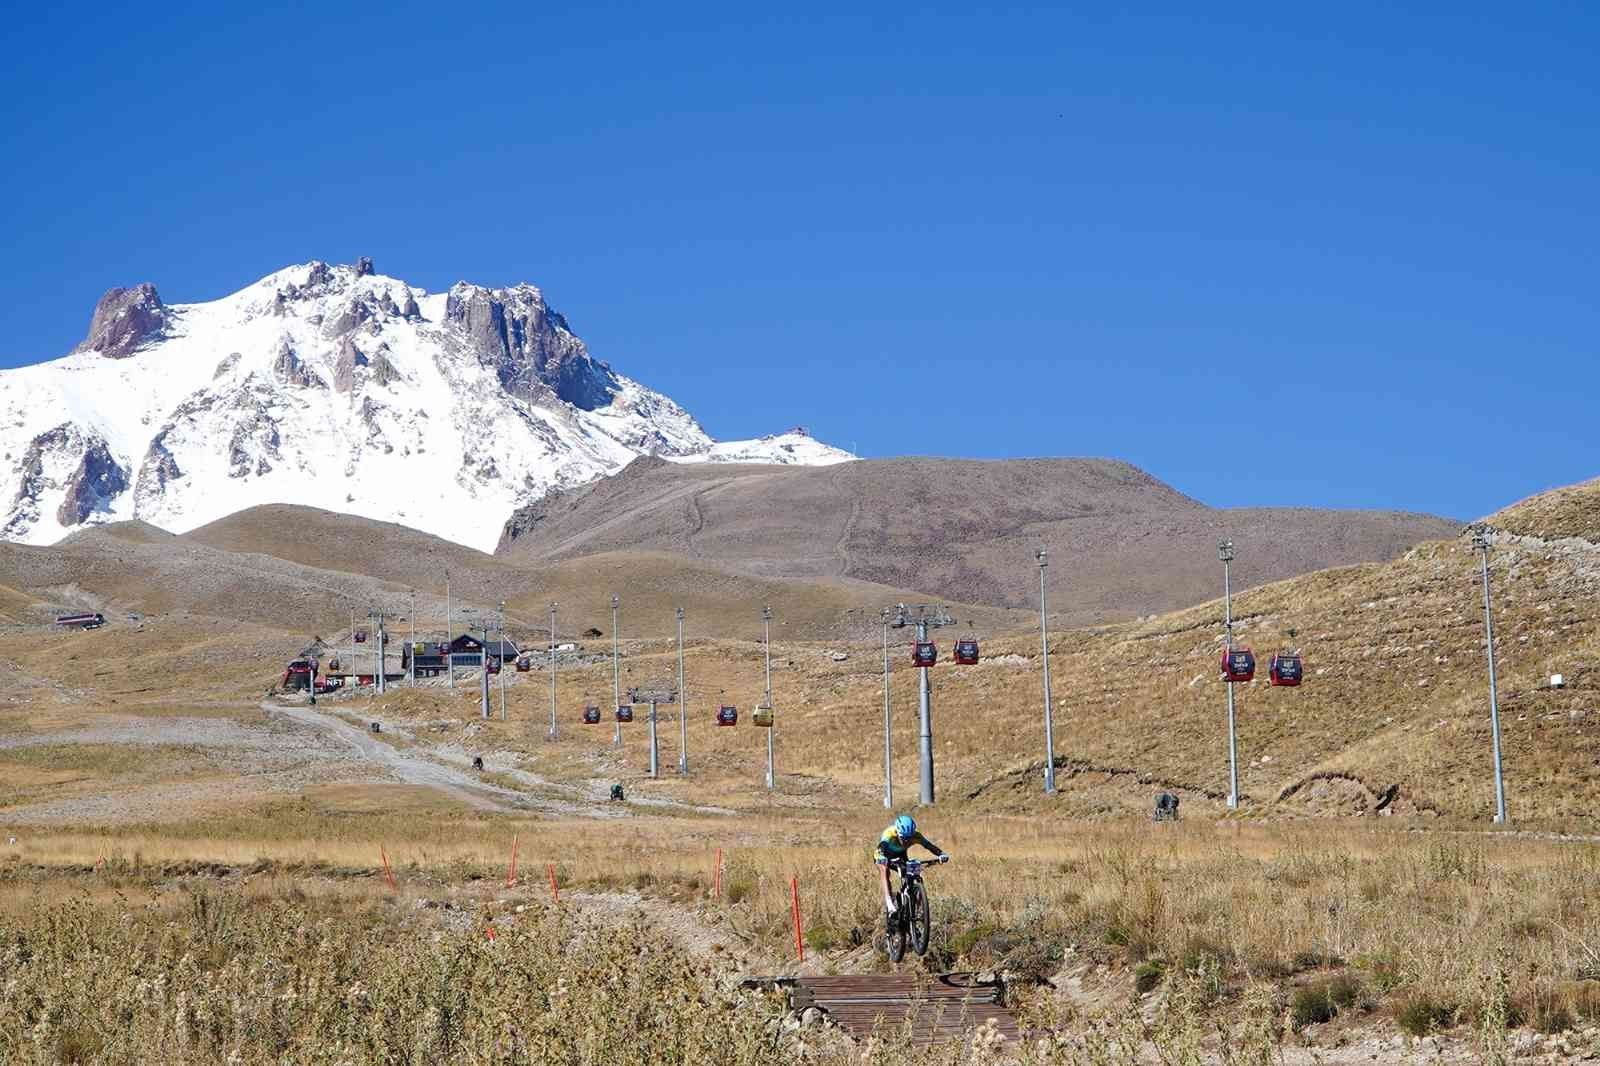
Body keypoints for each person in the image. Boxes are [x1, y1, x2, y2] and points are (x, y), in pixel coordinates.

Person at [875, 814, 948, 915]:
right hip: (884, 855)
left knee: (913, 874)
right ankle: (889, 902)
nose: (906, 841)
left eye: (909, 838)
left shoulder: (916, 835)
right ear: (897, 832)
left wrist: (941, 854)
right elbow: (881, 847)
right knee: (884, 869)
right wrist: (881, 857)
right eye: (903, 838)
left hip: (900, 855)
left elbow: (929, 846)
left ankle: (916, 906)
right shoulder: (889, 833)